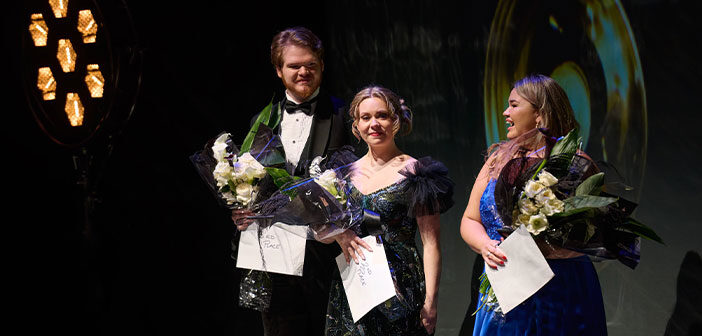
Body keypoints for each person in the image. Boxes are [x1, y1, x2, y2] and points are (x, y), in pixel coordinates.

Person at [460, 74, 607, 335]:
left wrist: (552, 247)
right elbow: (470, 220)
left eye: (514, 105)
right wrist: (485, 245)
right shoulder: (498, 158)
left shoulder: (573, 162)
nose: (506, 112)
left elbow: (600, 229)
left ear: (540, 114)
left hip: (560, 288)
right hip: (505, 286)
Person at [231, 27, 352, 336]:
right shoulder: (262, 121)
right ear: (278, 70)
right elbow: (251, 184)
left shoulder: (344, 115)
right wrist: (242, 208)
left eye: (310, 64)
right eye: (294, 66)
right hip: (274, 252)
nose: (303, 72)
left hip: (326, 253)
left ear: (322, 66)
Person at [324, 86, 454, 335]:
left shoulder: (417, 172)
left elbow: (431, 244)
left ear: (396, 121)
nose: (374, 124)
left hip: (400, 284)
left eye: (382, 115)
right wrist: (340, 235)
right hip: (355, 284)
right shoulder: (342, 175)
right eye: (366, 117)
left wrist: (431, 302)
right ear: (356, 125)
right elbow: (321, 231)